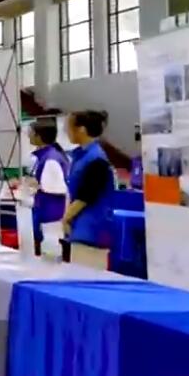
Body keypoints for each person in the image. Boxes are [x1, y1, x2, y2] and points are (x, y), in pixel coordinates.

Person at [63, 110, 115, 264]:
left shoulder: (96, 159)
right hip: (81, 228)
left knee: (87, 272)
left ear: (82, 130)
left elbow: (86, 195)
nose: (66, 131)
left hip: (92, 231)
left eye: (69, 127)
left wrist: (66, 218)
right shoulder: (82, 156)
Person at [24, 119, 69, 257]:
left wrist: (36, 186)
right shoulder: (44, 156)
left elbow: (57, 188)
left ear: (39, 136)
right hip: (45, 211)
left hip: (51, 214)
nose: (28, 136)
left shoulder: (51, 159)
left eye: (31, 133)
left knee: (50, 254)